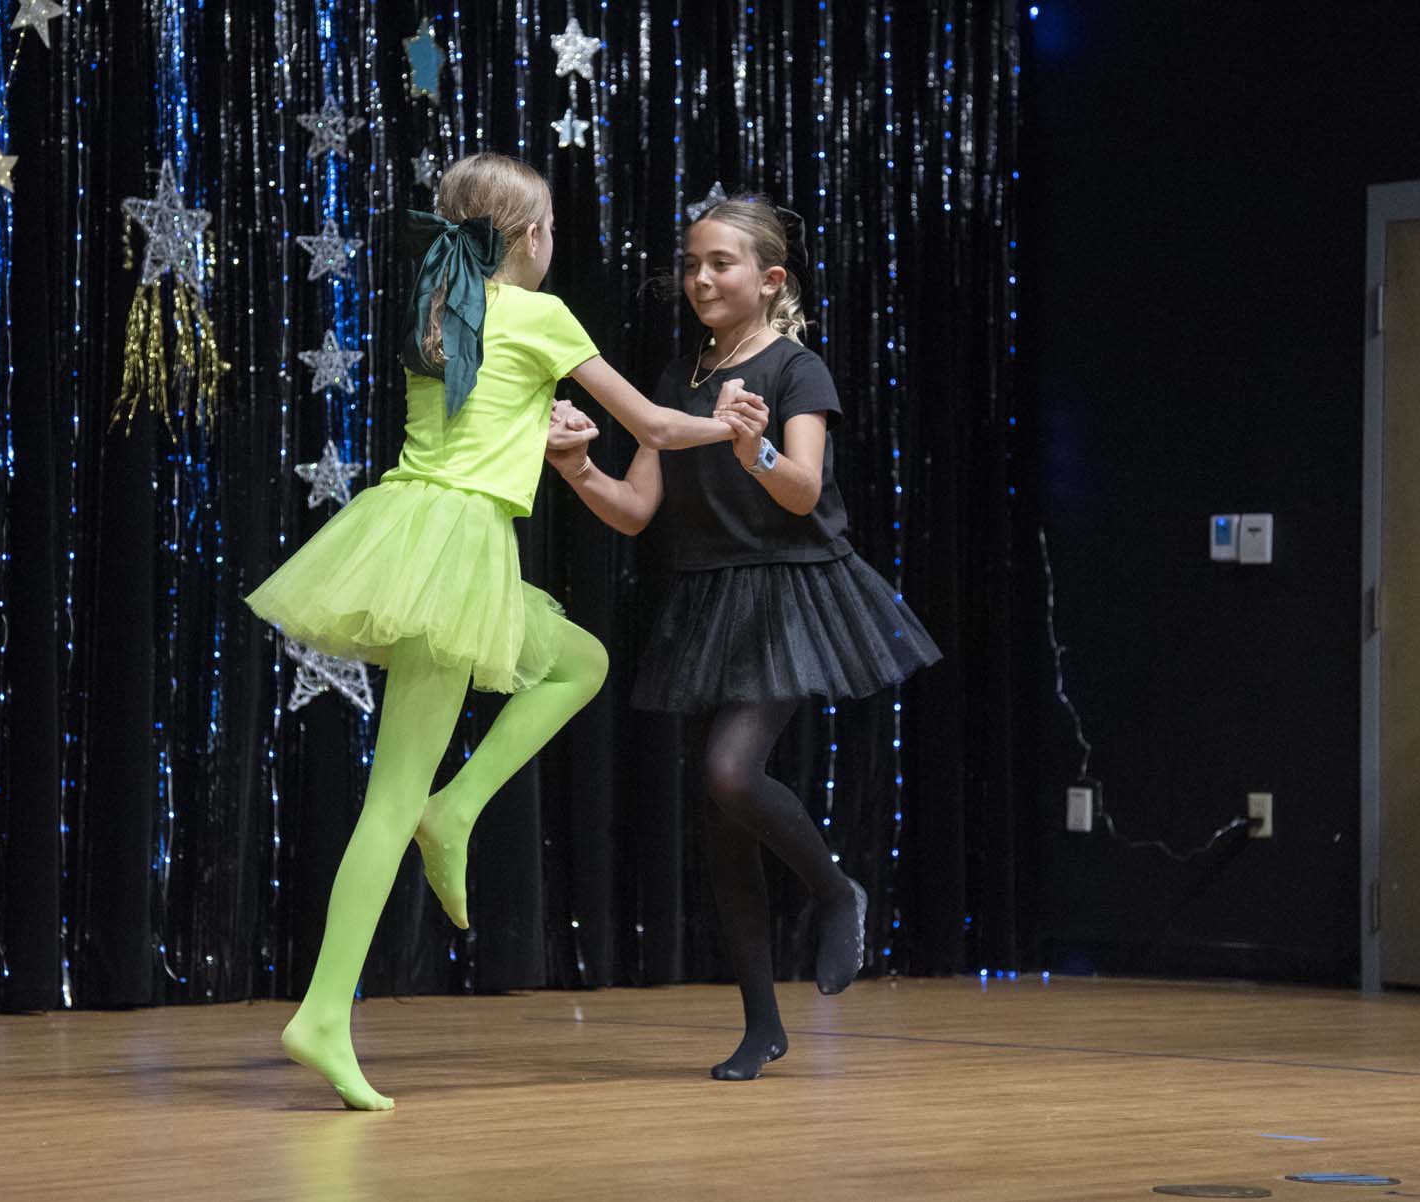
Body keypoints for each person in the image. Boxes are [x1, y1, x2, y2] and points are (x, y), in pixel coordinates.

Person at [246, 153, 741, 1109]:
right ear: (532, 237)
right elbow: (653, 427)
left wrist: (538, 430)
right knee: (391, 798)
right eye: (551, 228)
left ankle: (458, 809)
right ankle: (322, 1013)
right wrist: (730, 425)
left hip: (415, 530)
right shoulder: (540, 314)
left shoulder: (440, 306)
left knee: (580, 662)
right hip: (457, 545)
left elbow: (483, 415)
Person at [542, 196, 942, 1080]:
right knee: (721, 821)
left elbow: (802, 489)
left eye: (719, 263)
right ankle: (762, 1025)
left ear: (769, 279)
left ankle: (835, 891)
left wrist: (751, 447)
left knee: (732, 773)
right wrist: (576, 468)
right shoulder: (679, 374)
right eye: (691, 264)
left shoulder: (796, 367)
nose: (699, 279)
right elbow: (635, 509)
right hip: (708, 595)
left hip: (791, 587)